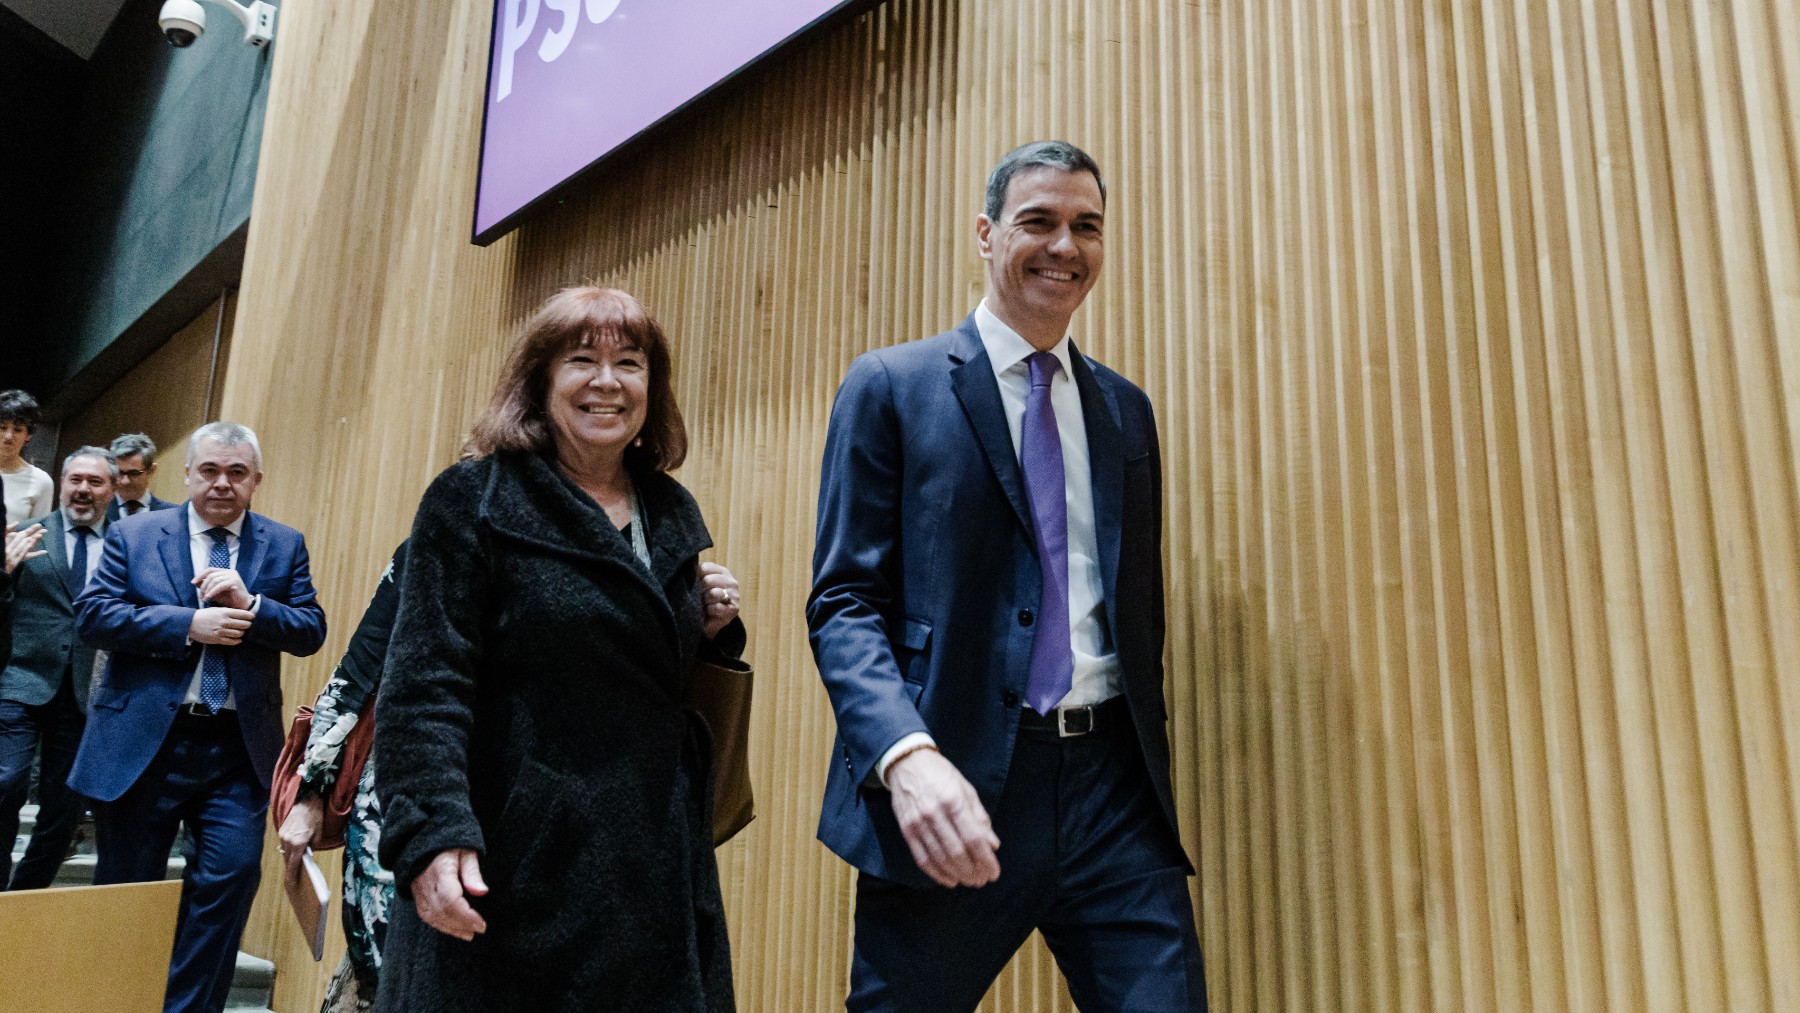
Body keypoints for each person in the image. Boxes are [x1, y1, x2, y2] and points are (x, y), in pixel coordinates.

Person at [808, 141, 1208, 1011]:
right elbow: (843, 602)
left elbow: (1135, 613)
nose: (1065, 244)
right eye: (1039, 221)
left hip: (1113, 796)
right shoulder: (891, 386)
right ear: (986, 235)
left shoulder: (1123, 409)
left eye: (1086, 226)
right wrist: (903, 755)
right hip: (953, 780)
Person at [375, 287, 746, 1013]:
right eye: (582, 360)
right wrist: (432, 831)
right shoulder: (472, 499)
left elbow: (645, 671)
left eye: (629, 363)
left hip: (652, 865)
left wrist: (712, 628)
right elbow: (425, 681)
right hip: (515, 861)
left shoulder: (669, 509)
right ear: (539, 383)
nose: (607, 382)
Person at [68, 421, 328, 1013]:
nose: (221, 484)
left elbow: (311, 629)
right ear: (187, 474)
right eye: (209, 470)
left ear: (256, 481)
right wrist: (186, 624)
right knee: (127, 899)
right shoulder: (133, 535)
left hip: (236, 752)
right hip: (142, 746)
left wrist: (254, 606)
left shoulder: (282, 545)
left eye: (237, 473)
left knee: (230, 883)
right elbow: (94, 615)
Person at [277, 542, 407, 1013]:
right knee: (383, 972)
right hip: (400, 789)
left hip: (522, 804)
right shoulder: (433, 544)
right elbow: (358, 669)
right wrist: (312, 795)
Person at [0, 447, 115, 889]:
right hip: (20, 681)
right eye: (76, 480)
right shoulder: (25, 534)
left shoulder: (124, 545)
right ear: (62, 483)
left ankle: (21, 900)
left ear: (111, 489)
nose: (83, 489)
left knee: (65, 809)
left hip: (86, 692)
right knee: (6, 783)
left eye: (95, 482)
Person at [0, 390, 54, 526]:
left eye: (17, 430)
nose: (8, 436)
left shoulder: (41, 482)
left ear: (28, 435)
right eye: (2, 427)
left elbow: (36, 536)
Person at [106, 433, 181, 521]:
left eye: (133, 473)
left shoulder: (174, 515)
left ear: (151, 470)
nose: (125, 481)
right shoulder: (98, 513)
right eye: (119, 473)